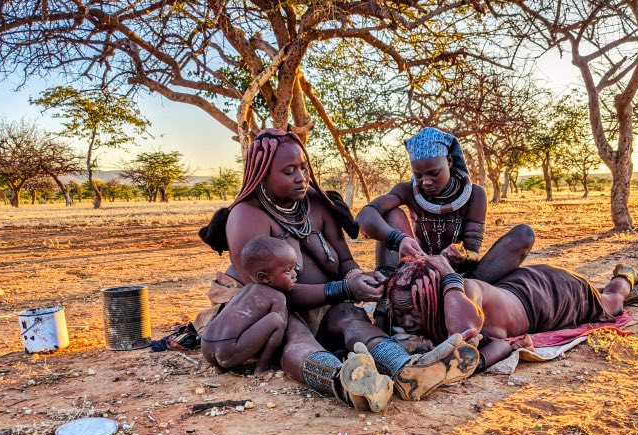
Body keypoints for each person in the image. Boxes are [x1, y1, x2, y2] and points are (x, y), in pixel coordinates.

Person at [198, 129, 479, 412]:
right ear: (263, 175)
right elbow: (273, 293)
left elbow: (344, 261)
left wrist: (358, 278)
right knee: (294, 334)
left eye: (303, 167)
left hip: (327, 303)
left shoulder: (317, 203)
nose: (301, 177)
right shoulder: (246, 216)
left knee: (352, 318)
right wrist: (343, 289)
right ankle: (344, 384)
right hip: (273, 311)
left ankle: (407, 371)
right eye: (289, 171)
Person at [386, 257, 638, 371]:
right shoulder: (427, 304)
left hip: (549, 295)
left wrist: (450, 275)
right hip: (518, 286)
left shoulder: (464, 291)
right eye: (401, 312)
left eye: (414, 312)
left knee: (611, 304)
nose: (406, 322)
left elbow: (464, 331)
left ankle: (625, 276)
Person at [356, 127, 535, 284]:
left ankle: (466, 290)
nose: (425, 182)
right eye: (418, 176)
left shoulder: (475, 195)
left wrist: (462, 254)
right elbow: (365, 215)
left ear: (449, 161)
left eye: (433, 173)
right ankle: (386, 307)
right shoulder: (406, 191)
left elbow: (473, 254)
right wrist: (398, 240)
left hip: (463, 275)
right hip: (418, 272)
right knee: (391, 214)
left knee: (524, 234)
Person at [201, 236, 296, 374]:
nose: (294, 274)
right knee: (277, 320)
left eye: (294, 268)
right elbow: (278, 330)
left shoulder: (244, 290)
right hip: (228, 352)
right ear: (264, 277)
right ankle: (264, 367)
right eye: (288, 270)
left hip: (207, 348)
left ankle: (219, 368)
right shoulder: (277, 297)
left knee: (218, 317)